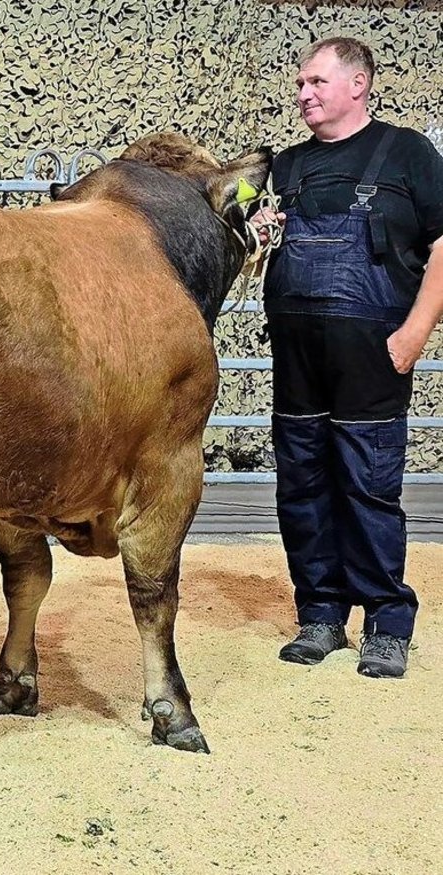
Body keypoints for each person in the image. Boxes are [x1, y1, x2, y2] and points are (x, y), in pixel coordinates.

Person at [256, 37, 443, 678]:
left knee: (368, 487)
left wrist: (415, 332)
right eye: (301, 85)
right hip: (298, 355)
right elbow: (261, 248)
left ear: (358, 84)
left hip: (375, 351)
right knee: (302, 487)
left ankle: (387, 623)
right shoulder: (285, 168)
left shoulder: (408, 154)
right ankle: (321, 616)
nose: (303, 94)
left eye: (316, 83)